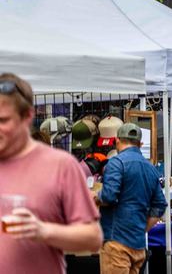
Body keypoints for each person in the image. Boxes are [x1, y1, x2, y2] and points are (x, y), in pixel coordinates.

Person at [0, 73, 102, 273]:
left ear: (27, 117)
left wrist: (44, 231)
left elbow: (92, 237)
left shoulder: (61, 166)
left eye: (3, 120)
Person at [97, 123, 168, 274]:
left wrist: (94, 197)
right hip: (138, 245)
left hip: (116, 242)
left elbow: (109, 196)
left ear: (117, 140)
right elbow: (160, 205)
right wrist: (142, 229)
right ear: (140, 144)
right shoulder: (150, 168)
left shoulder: (116, 163)